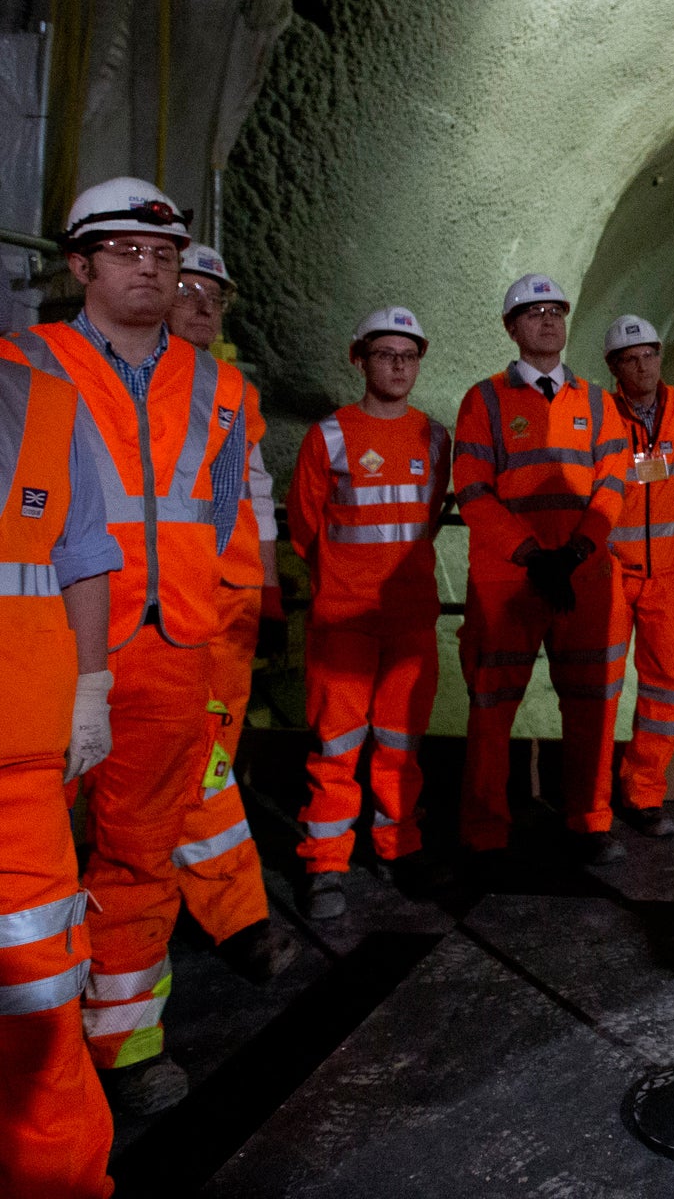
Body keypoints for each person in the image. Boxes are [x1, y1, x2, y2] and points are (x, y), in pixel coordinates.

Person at [9, 178, 251, 1115]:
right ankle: (27, 1048)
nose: (147, 268)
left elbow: (222, 514)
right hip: (51, 649)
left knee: (142, 855)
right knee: (21, 858)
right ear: (79, 265)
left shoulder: (223, 386)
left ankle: (126, 1042)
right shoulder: (23, 362)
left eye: (163, 254)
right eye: (123, 252)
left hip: (172, 647)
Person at [453, 274, 631, 866]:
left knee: (591, 703)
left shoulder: (598, 402)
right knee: (491, 707)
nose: (548, 320)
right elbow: (473, 491)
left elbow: (614, 484)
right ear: (511, 328)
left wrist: (578, 552)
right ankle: (484, 831)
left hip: (582, 578)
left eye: (556, 310)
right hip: (511, 581)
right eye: (533, 313)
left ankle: (589, 821)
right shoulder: (484, 401)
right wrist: (532, 554)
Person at [0, 338, 121, 1198]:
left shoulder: (44, 404)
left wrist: (91, 686)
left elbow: (81, 556)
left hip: (17, 754)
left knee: (39, 995)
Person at [163, 244, 299, 980]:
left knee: (209, 756)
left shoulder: (228, 390)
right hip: (152, 607)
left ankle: (219, 909)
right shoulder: (126, 384)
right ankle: (229, 914)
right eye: (189, 288)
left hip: (227, 606)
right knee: (188, 763)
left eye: (215, 293)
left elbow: (252, 494)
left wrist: (268, 589)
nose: (204, 303)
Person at [290, 307, 450, 918]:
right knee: (336, 744)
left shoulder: (435, 437)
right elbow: (306, 527)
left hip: (410, 620)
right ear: (359, 360)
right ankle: (324, 865)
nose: (398, 365)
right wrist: (344, 581)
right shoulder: (328, 436)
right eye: (385, 354)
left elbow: (428, 516)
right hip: (344, 621)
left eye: (408, 356)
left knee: (400, 744)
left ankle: (398, 847)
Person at [602, 314, 674, 838]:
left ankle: (645, 794)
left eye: (648, 355)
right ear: (614, 367)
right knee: (601, 686)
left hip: (671, 572)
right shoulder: (597, 413)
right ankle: (594, 800)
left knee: (665, 689)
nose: (642, 366)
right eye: (630, 359)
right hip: (613, 571)